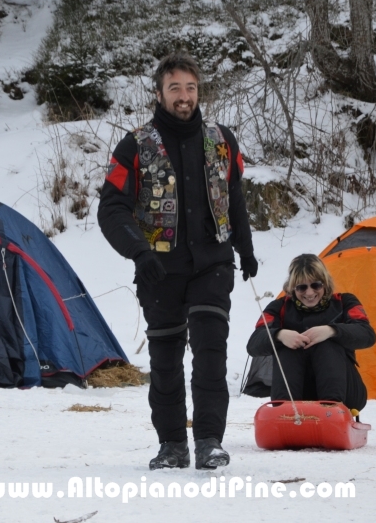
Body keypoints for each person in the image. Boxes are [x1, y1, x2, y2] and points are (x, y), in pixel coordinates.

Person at [97, 52, 257, 470]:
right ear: (159, 92)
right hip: (159, 270)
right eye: (175, 88)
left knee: (210, 353)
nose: (184, 96)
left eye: (190, 87)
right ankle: (171, 445)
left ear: (198, 91)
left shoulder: (221, 139)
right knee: (165, 364)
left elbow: (235, 193)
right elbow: (111, 208)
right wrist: (139, 251)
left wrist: (245, 246)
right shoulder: (135, 145)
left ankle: (208, 441)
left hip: (212, 264)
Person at [246, 254, 375, 410]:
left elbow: (367, 334)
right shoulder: (278, 307)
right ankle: (284, 411)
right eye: (302, 287)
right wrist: (280, 335)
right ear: (293, 287)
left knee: (326, 345)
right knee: (287, 347)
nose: (309, 293)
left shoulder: (345, 302)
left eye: (316, 285)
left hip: (345, 391)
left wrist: (331, 331)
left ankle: (331, 409)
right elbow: (253, 344)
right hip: (298, 391)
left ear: (325, 284)